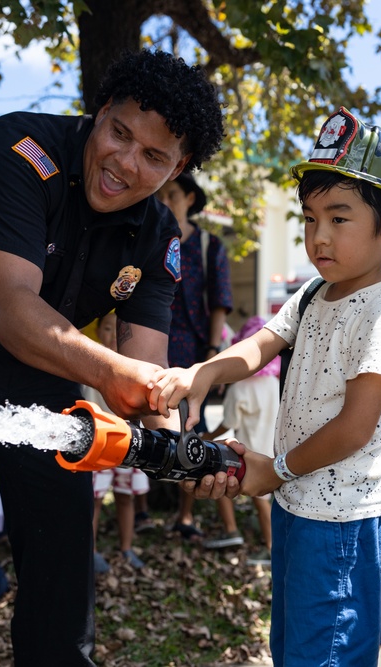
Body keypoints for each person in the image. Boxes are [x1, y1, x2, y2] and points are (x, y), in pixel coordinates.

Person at [0, 49, 225, 666]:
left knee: (63, 536)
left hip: (42, 364)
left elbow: (149, 370)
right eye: (119, 133)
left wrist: (182, 451)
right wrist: (118, 375)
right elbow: (10, 309)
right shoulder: (16, 151)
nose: (124, 163)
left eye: (154, 157)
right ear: (100, 111)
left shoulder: (158, 235)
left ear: (181, 167)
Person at [150, 106, 381, 666]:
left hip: (344, 526)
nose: (319, 236)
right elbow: (264, 341)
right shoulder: (316, 291)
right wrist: (203, 373)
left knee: (329, 655)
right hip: (296, 508)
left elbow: (356, 427)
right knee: (293, 649)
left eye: (339, 219)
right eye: (310, 218)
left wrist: (275, 468)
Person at [155, 171, 234, 543]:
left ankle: (185, 514)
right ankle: (142, 506)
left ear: (189, 198)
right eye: (162, 195)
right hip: (152, 344)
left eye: (173, 194)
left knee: (190, 426)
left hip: (193, 351)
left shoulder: (209, 245)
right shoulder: (150, 238)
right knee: (148, 416)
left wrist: (212, 353)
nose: (166, 201)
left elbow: (219, 302)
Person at [200, 315, 281, 560]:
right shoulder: (275, 382)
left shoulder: (241, 386)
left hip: (249, 455)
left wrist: (206, 436)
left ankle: (249, 538)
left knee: (222, 482)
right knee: (267, 501)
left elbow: (229, 423)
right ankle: (268, 544)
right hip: (275, 451)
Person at [85, 312, 148, 572]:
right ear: (99, 332)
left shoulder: (133, 364)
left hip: (128, 442)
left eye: (118, 329)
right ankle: (92, 551)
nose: (113, 335)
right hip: (98, 444)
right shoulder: (88, 362)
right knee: (95, 499)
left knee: (125, 497)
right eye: (108, 328)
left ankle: (126, 548)